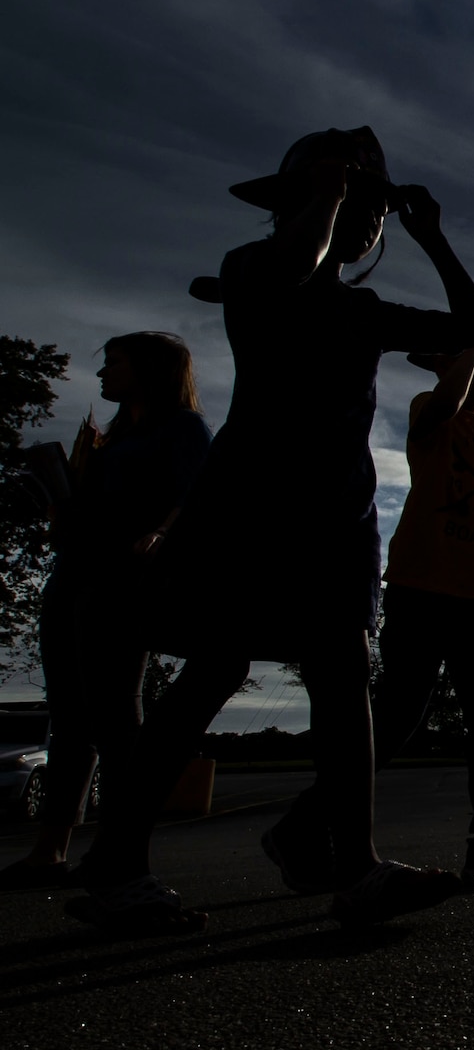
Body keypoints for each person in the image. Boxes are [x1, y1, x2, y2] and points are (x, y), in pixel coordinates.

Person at [69, 126, 474, 932]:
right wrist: (331, 194)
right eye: (348, 199)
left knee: (342, 674)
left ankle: (357, 865)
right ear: (298, 201)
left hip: (337, 518)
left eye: (374, 206)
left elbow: (471, 330)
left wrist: (433, 238)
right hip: (251, 505)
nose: (365, 219)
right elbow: (295, 264)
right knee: (212, 669)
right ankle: (117, 863)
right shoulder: (251, 270)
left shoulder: (362, 310)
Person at [278, 300, 474, 889]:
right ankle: (304, 824)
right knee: (396, 719)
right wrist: (473, 347)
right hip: (421, 587)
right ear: (449, 363)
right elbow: (446, 398)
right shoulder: (430, 412)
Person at [0, 334, 209, 891]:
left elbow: (195, 497)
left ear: (150, 368)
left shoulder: (182, 429)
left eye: (113, 362)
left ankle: (120, 850)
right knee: (69, 719)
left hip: (122, 583)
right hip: (71, 577)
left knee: (116, 719)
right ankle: (51, 849)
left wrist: (160, 534)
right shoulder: (112, 438)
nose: (102, 374)